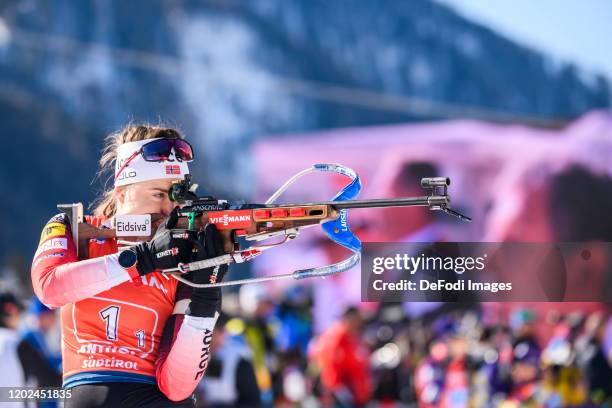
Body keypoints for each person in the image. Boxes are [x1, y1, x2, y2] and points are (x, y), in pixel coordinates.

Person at [31, 125, 228, 407]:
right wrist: (141, 259)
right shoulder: (72, 228)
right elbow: (50, 287)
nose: (168, 210)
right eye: (158, 194)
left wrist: (206, 301)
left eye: (176, 198)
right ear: (122, 193)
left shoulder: (181, 257)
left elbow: (177, 386)